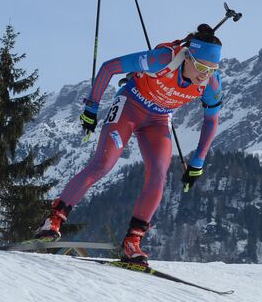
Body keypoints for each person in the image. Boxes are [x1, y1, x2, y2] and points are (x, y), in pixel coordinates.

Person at [35, 24, 223, 265]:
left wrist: (197, 161)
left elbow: (212, 118)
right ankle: (54, 220)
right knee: (103, 163)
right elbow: (109, 67)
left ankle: (132, 242)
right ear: (188, 56)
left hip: (159, 120)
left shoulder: (211, 83)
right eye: (200, 66)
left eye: (212, 69)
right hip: (130, 106)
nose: (204, 74)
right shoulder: (162, 60)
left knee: (158, 176)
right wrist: (91, 107)